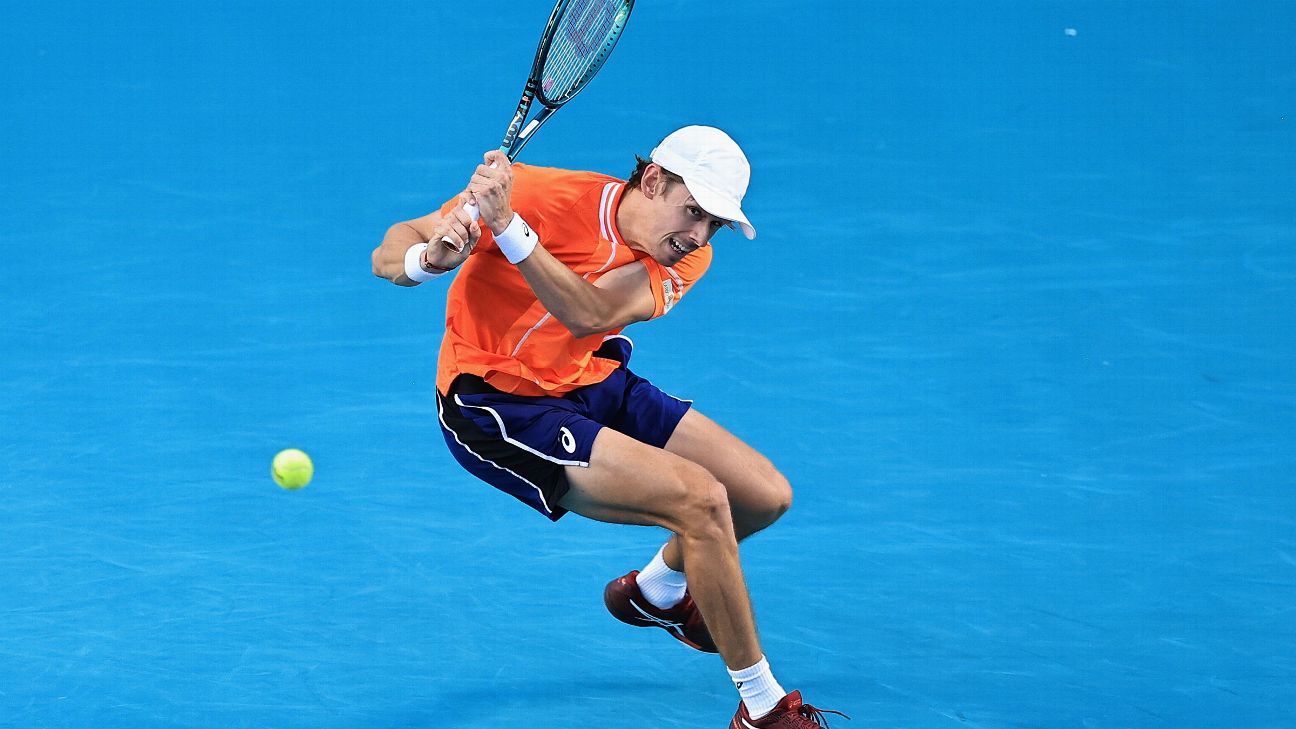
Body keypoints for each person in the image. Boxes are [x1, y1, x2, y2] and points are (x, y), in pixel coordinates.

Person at [371, 126, 844, 727]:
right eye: (693, 211)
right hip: (495, 401)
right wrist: (430, 258)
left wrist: (509, 228)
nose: (697, 236)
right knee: (700, 502)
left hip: (587, 374)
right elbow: (388, 251)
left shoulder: (685, 254)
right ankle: (762, 705)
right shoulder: (541, 193)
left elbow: (587, 313)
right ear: (652, 181)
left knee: (763, 495)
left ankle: (656, 592)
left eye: (714, 224)